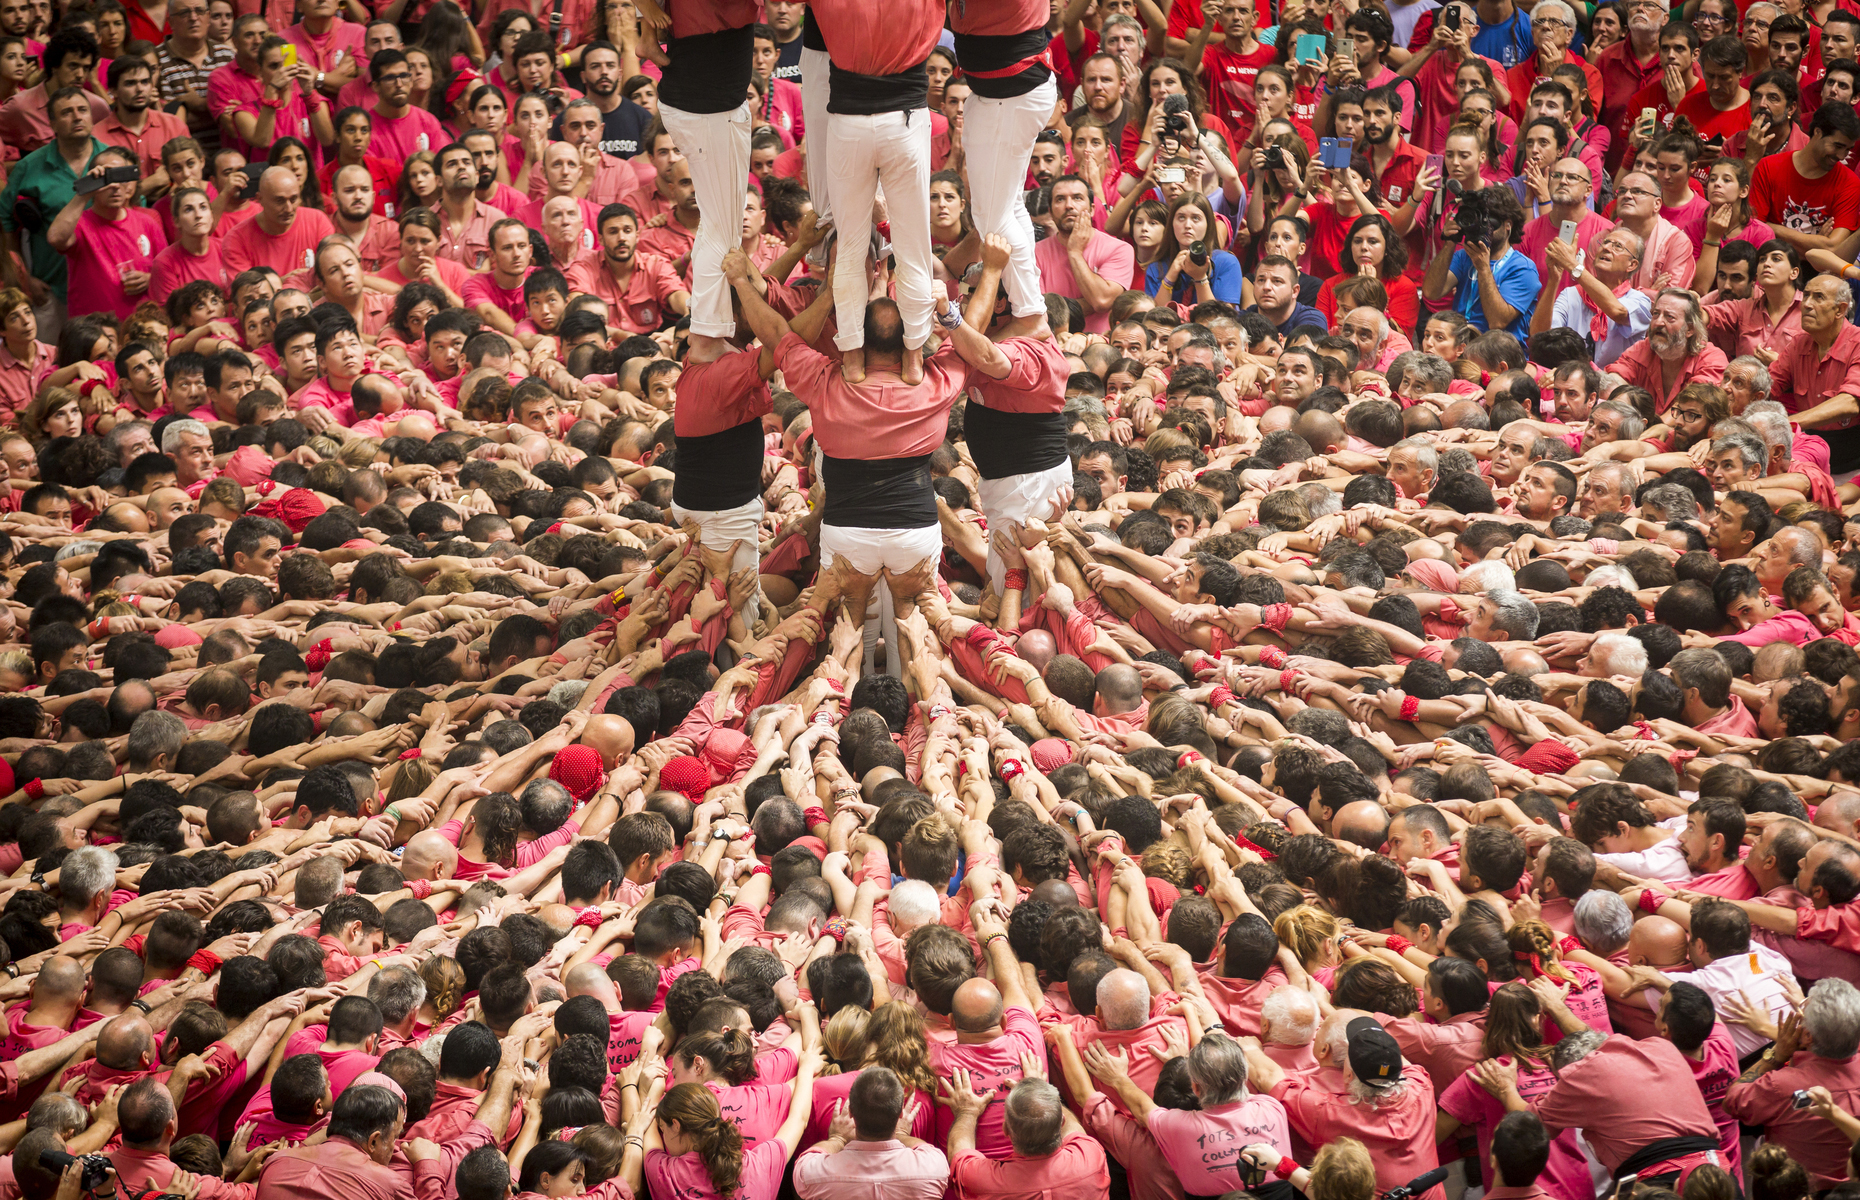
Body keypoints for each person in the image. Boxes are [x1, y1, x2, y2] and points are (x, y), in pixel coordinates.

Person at [46, 147, 159, 322]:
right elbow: (55, 238)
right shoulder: (80, 224)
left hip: (140, 328)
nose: (114, 185)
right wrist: (85, 191)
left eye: (119, 177)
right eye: (106, 179)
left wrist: (151, 279)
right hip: (93, 331)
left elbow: (169, 271)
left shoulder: (147, 222)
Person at [1422, 184, 1539, 335]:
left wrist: (1483, 268)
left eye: (1488, 220)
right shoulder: (1464, 256)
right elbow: (1431, 292)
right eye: (1479, 219)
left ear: (1508, 225)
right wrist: (1450, 242)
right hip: (1462, 348)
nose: (1482, 226)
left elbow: (1497, 321)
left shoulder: (1523, 269)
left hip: (1498, 352)